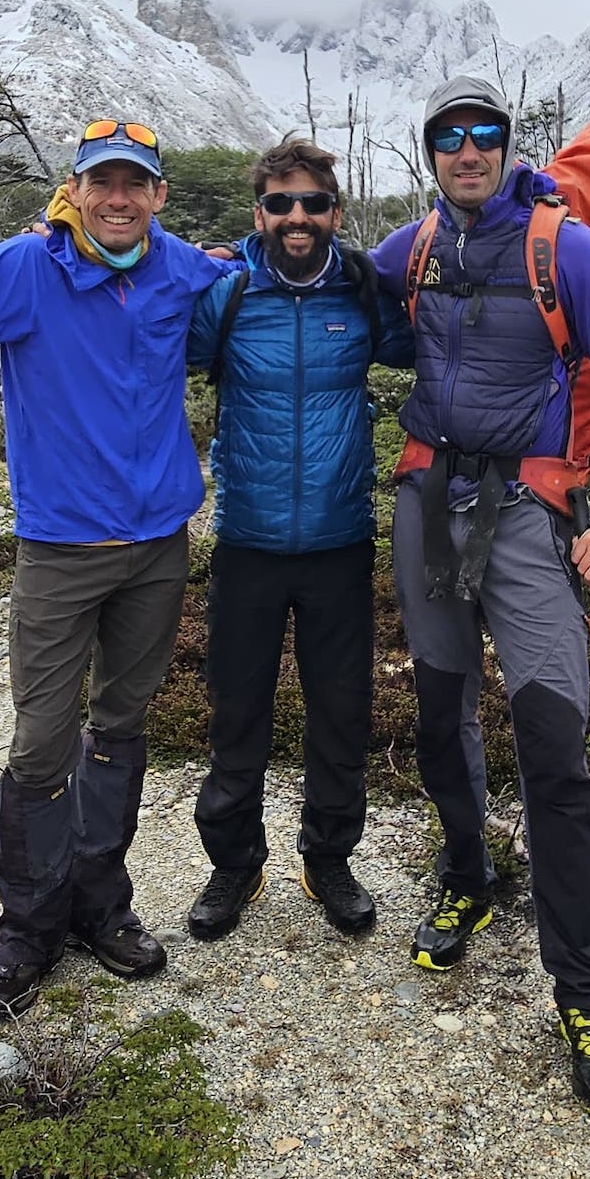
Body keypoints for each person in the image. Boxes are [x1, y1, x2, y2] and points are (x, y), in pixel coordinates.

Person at [0, 118, 233, 1022]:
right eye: (103, 182)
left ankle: (100, 903)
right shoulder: (28, 268)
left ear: (159, 197)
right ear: (76, 188)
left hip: (158, 545)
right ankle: (26, 926)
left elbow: (273, 280)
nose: (120, 199)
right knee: (40, 740)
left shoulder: (183, 268)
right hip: (60, 550)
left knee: (121, 724)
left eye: (137, 184)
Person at [367, 76, 590, 1117]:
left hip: (533, 521)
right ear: (430, 152)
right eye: (449, 138)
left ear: (506, 147)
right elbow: (308, 278)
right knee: (442, 713)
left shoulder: (563, 249)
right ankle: (469, 875)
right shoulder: (411, 250)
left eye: (483, 136)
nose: (467, 151)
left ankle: (586, 994)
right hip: (428, 503)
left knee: (552, 742)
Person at [180, 136, 412, 942]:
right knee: (236, 713)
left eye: (312, 202)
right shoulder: (230, 294)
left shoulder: (362, 289)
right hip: (246, 538)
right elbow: (152, 345)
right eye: (281, 203)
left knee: (340, 713)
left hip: (340, 540)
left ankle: (329, 860)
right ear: (260, 214)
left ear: (335, 213)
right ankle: (235, 865)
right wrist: (55, 241)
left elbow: (433, 348)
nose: (298, 216)